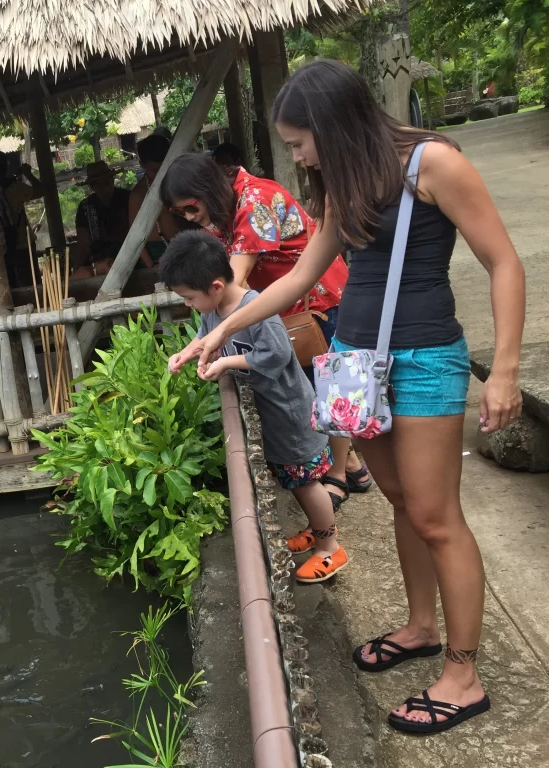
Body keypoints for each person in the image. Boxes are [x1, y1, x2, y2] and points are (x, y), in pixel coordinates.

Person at [192, 59, 525, 733]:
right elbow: (303, 276)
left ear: (333, 126)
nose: (296, 155)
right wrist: (224, 326)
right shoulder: (344, 183)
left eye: (298, 141)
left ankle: (464, 674)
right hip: (356, 368)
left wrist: (507, 370)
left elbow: (504, 261)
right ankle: (422, 626)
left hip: (427, 360)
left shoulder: (435, 164)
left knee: (437, 516)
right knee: (402, 502)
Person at [159, 151, 367, 510]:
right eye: (182, 213)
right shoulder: (226, 210)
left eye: (191, 208)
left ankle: (336, 475)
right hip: (283, 306)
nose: (190, 218)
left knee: (327, 391)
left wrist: (212, 338)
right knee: (317, 389)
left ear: (207, 188)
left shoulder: (255, 200)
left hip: (318, 302)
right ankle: (351, 466)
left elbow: (232, 281)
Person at [163, 230, 347, 583]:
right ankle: (317, 531)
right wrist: (189, 353)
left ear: (215, 285)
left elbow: (277, 355)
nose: (187, 305)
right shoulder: (215, 309)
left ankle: (330, 548)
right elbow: (206, 335)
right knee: (296, 482)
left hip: (289, 413)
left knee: (307, 483)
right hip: (273, 414)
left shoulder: (255, 309)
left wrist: (226, 364)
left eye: (188, 298)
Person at [127, 133, 191, 268]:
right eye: (154, 170)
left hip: (186, 246)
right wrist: (151, 266)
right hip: (155, 254)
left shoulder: (181, 183)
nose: (160, 174)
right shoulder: (138, 195)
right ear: (142, 165)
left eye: (164, 168)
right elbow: (134, 239)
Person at [0, 151, 45, 287]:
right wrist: (28, 174)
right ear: (6, 167)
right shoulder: (14, 188)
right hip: (22, 245)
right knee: (32, 286)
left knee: (10, 286)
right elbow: (41, 191)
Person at [72, 161, 130, 279]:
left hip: (130, 255)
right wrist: (77, 268)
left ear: (112, 179)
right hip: (98, 263)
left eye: (105, 182)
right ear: (92, 186)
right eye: (97, 184)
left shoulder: (129, 198)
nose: (103, 187)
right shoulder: (85, 207)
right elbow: (84, 243)